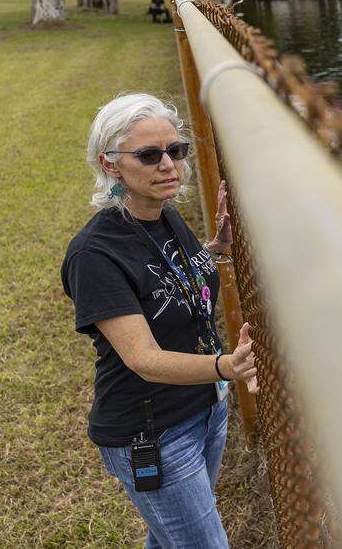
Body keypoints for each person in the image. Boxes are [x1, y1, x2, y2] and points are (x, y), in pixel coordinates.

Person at [62, 94, 257, 548]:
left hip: (205, 409)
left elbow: (166, 279)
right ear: (110, 164)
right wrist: (227, 366)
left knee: (171, 538)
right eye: (150, 155)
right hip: (152, 433)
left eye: (177, 150)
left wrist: (216, 249)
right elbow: (144, 359)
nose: (169, 164)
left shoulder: (161, 215)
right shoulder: (94, 254)